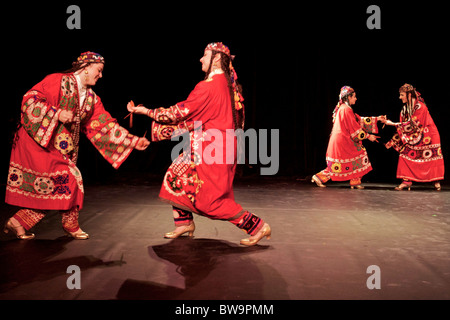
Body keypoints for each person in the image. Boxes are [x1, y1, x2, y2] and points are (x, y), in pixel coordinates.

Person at [127, 42, 271, 246]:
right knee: (175, 176)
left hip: (212, 151)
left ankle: (256, 226)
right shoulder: (227, 87)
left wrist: (147, 112)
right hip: (214, 148)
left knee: (211, 202)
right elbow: (197, 120)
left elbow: (178, 113)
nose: (200, 59)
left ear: (216, 59)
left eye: (205, 55)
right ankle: (184, 223)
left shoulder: (208, 87)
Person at [4, 51, 150, 240]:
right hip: (37, 141)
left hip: (57, 146)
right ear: (85, 68)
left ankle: (17, 223)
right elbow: (30, 100)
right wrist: (56, 114)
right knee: (71, 177)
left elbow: (104, 126)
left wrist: (133, 141)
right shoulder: (57, 80)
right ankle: (70, 225)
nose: (101, 75)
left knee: (51, 188)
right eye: (99, 70)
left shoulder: (90, 98)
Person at [312, 86, 384, 189]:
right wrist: (368, 136)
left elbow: (358, 120)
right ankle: (321, 177)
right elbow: (355, 129)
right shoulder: (346, 109)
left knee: (344, 160)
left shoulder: (344, 108)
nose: (356, 98)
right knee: (358, 154)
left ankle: (353, 180)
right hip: (342, 141)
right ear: (348, 97)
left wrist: (377, 119)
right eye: (354, 96)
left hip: (342, 139)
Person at [382, 83, 444, 190]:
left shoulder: (420, 106)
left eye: (401, 95)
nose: (399, 97)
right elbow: (405, 124)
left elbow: (413, 124)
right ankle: (406, 181)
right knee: (405, 152)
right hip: (415, 135)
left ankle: (435, 180)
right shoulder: (405, 109)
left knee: (431, 158)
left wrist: (391, 123)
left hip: (429, 134)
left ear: (409, 95)